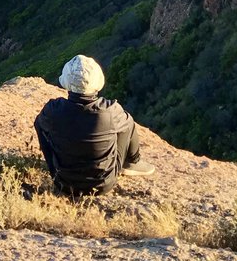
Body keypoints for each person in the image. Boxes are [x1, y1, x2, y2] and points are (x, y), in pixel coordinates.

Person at [34, 54, 155, 195]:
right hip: (104, 184)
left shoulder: (54, 109)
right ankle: (133, 162)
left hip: (63, 182)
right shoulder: (110, 111)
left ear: (66, 81)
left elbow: (39, 125)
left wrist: (52, 162)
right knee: (127, 122)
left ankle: (57, 165)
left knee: (41, 123)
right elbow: (128, 125)